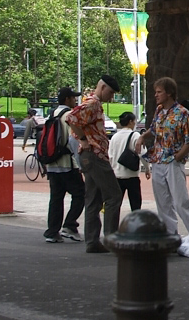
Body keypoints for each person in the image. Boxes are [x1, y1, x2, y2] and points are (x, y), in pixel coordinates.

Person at [138, 76, 189, 256]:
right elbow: (154, 129)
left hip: (173, 162)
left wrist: (179, 156)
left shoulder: (183, 113)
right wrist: (142, 136)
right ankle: (170, 238)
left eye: (159, 92)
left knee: (180, 202)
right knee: (163, 203)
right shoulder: (159, 111)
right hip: (158, 161)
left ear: (169, 92)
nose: (156, 95)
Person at [64, 75, 123, 253]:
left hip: (88, 156)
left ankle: (92, 240)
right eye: (111, 92)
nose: (111, 97)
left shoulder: (91, 103)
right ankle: (111, 239)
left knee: (93, 198)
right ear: (103, 87)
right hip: (95, 154)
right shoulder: (93, 103)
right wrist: (83, 139)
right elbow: (71, 118)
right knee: (114, 196)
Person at [43, 87, 85, 243]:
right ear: (67, 99)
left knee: (56, 197)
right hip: (67, 163)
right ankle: (70, 225)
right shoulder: (69, 115)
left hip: (52, 163)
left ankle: (52, 231)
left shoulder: (52, 114)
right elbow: (73, 140)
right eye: (74, 98)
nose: (75, 100)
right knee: (81, 194)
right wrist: (81, 163)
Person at [109, 111, 148, 211]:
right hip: (132, 176)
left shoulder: (114, 137)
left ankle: (113, 225)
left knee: (115, 206)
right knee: (135, 205)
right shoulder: (135, 136)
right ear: (130, 121)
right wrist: (147, 169)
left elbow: (110, 156)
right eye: (134, 121)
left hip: (117, 176)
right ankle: (136, 225)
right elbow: (143, 154)